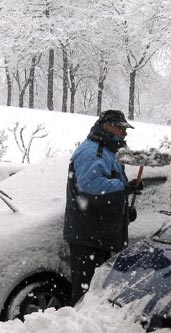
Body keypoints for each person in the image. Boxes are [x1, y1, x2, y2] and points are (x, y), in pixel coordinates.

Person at [63, 109, 143, 305]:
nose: (124, 133)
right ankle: (77, 331)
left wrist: (124, 210)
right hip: (90, 237)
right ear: (106, 126)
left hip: (100, 235)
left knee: (98, 294)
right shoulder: (93, 151)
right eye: (120, 128)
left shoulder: (107, 151)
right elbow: (91, 187)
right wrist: (125, 187)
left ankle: (89, 329)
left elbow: (106, 192)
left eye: (125, 129)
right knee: (87, 294)